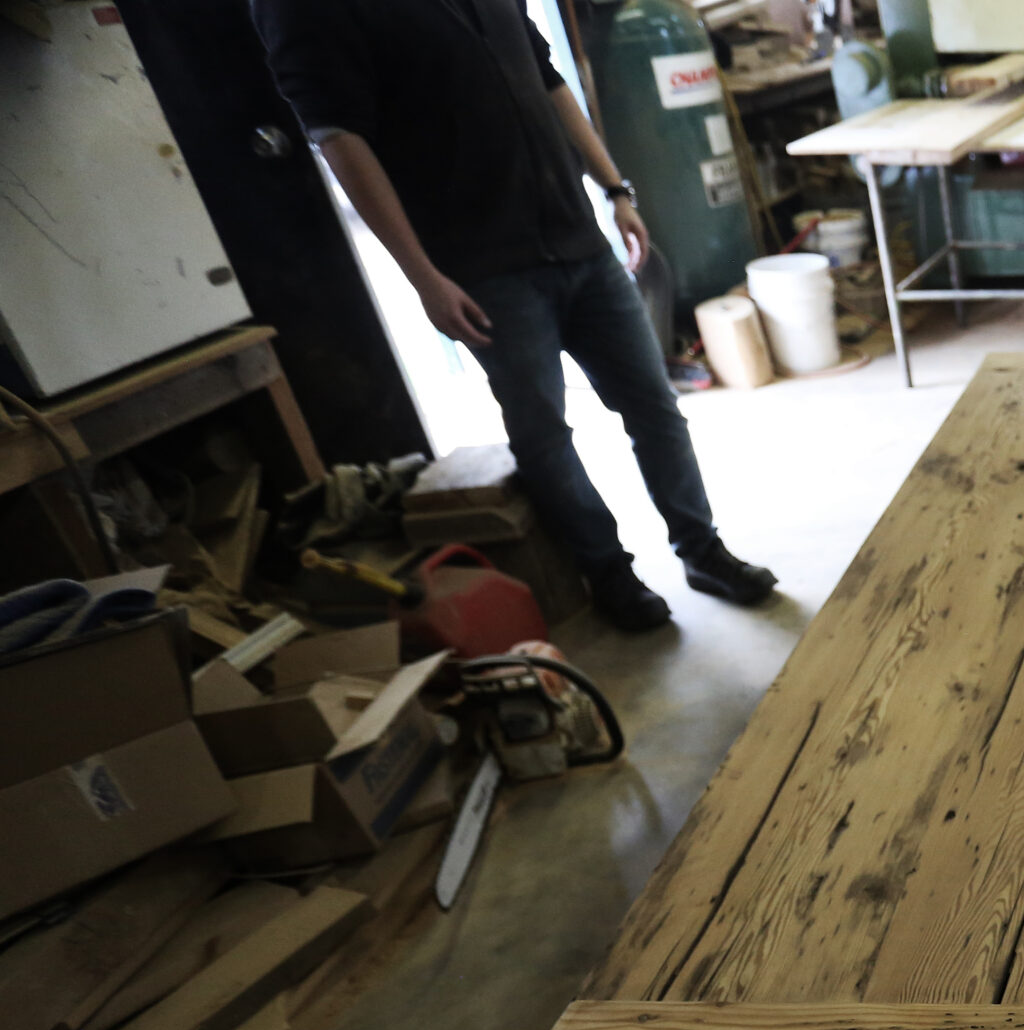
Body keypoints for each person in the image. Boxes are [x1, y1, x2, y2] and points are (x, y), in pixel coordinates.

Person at [253, 0, 776, 632]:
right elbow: (338, 137)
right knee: (544, 434)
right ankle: (608, 573)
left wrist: (615, 190)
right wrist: (423, 278)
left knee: (654, 406)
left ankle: (702, 551)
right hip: (483, 268)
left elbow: (548, 79)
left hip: (577, 240)